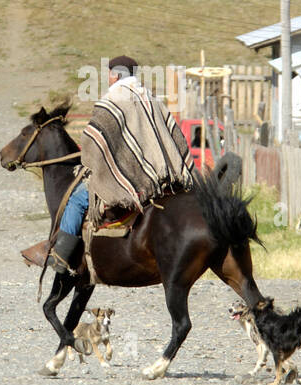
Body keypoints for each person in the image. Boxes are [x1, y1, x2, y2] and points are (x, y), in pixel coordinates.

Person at [47, 55, 192, 276]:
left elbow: (94, 140)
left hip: (128, 179)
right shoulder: (150, 97)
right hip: (157, 176)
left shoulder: (113, 99)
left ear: (116, 74)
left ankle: (61, 256)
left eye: (109, 72)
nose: (107, 77)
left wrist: (89, 159)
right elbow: (171, 134)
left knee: (77, 199)